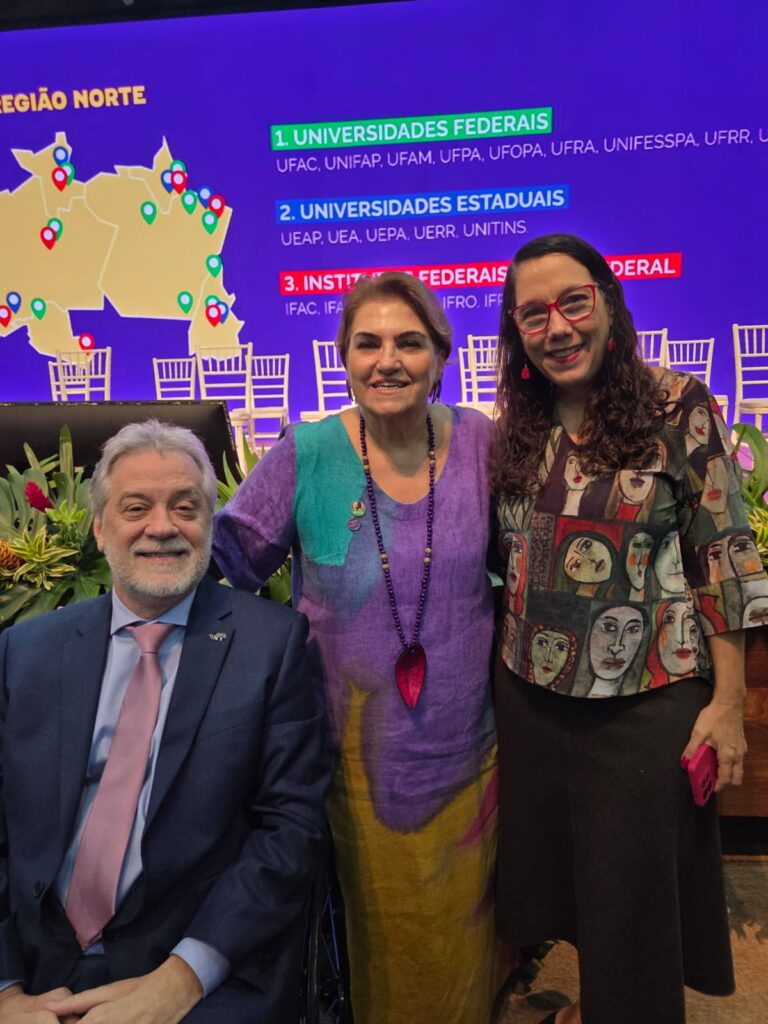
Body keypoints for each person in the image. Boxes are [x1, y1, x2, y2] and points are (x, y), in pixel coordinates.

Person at [490, 233, 768, 1024]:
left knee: (633, 904)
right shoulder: (519, 423)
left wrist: (726, 704)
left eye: (574, 301)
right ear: (517, 332)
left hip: (643, 703)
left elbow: (724, 555)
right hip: (531, 701)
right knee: (571, 889)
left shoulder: (675, 405)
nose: (557, 327)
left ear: (608, 304)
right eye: (533, 314)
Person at [214, 272, 502, 1024]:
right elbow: (227, 565)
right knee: (375, 945)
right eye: (367, 343)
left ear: (441, 357)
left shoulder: (482, 442)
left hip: (469, 755)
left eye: (410, 342)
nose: (388, 360)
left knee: (464, 941)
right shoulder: (308, 452)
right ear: (343, 358)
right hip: (350, 761)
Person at [0, 420, 329, 1024]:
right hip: (32, 966)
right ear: (99, 529)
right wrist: (5, 990)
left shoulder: (272, 646)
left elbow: (290, 831)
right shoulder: (25, 652)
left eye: (185, 507)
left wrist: (183, 978)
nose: (162, 527)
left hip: (194, 967)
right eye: (135, 508)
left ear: (210, 524)